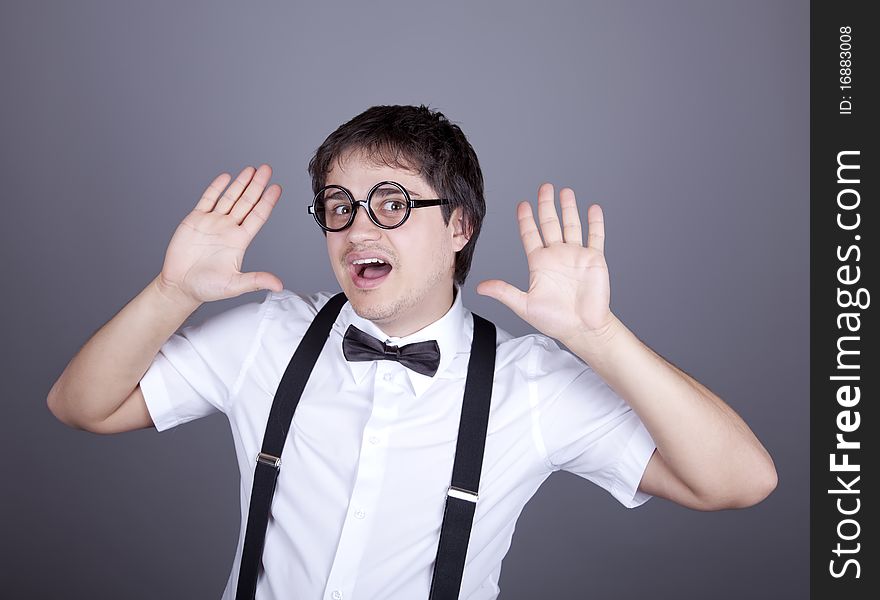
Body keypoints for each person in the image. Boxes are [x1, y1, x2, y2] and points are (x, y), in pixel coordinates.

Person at [47, 104, 777, 599]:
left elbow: (739, 481)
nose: (358, 228)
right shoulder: (266, 337)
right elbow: (79, 405)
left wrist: (598, 338)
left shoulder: (529, 386)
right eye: (340, 207)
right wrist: (173, 290)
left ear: (458, 225)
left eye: (392, 203)